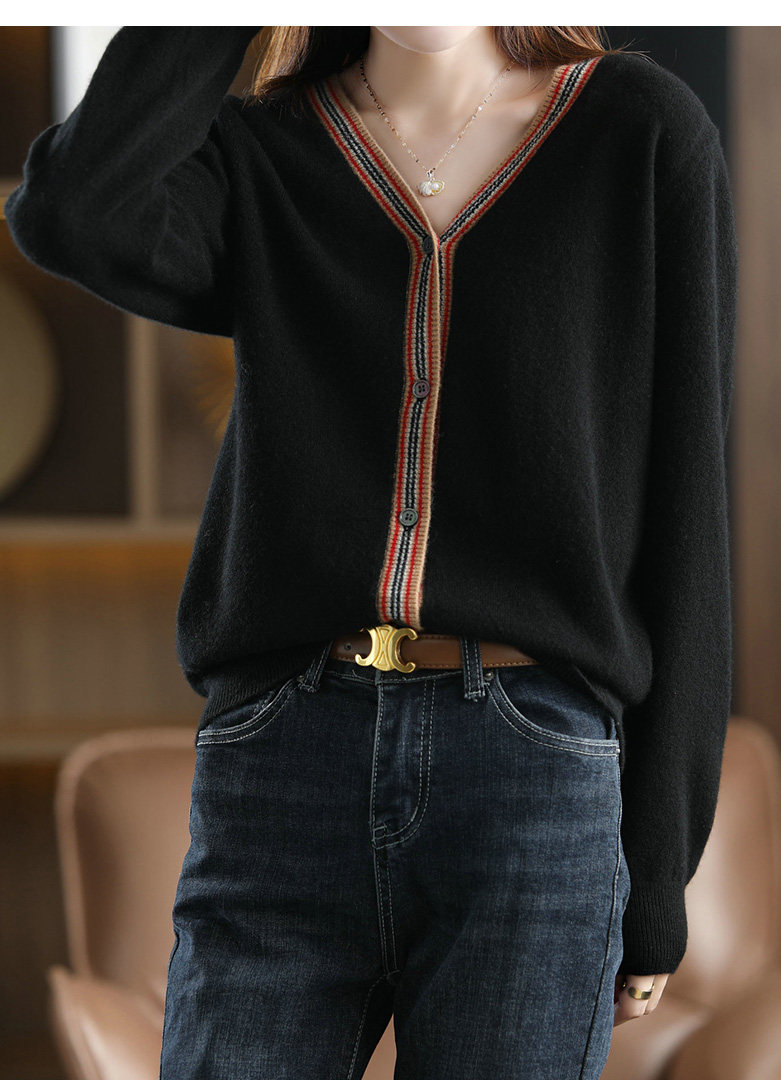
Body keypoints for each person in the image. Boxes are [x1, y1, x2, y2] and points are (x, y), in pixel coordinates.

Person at [4, 24, 737, 1079]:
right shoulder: (266, 150)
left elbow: (688, 512)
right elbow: (71, 211)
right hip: (282, 762)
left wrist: (657, 875)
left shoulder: (642, 132)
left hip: (530, 778)